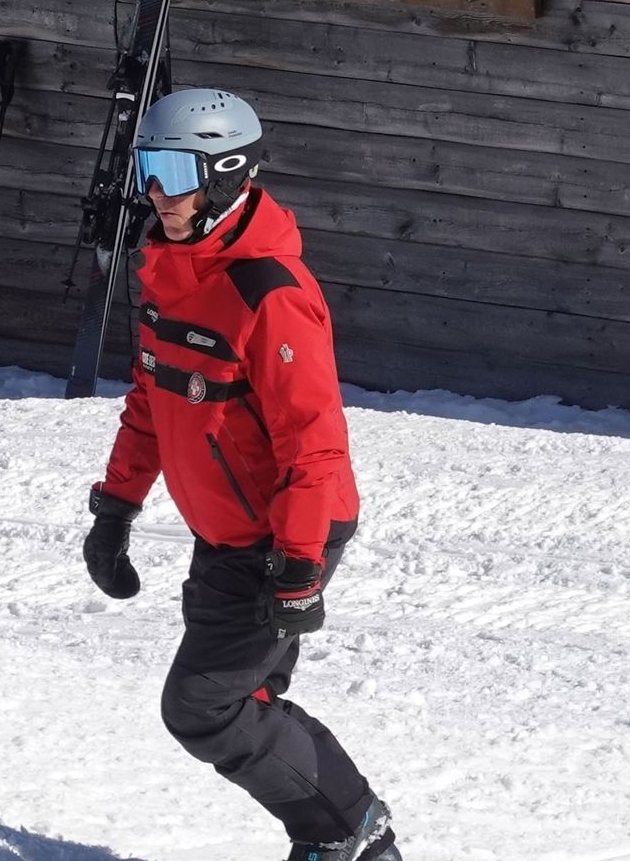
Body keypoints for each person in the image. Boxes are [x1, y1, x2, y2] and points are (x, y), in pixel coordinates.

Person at [82, 89, 400, 861]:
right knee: (241, 696)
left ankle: (349, 831)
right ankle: (334, 829)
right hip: (228, 530)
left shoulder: (272, 293)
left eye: (173, 171)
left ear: (226, 174)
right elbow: (152, 394)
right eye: (146, 168)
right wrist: (116, 508)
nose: (156, 192)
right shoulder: (171, 262)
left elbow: (314, 442)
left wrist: (297, 569)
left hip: (284, 530)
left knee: (206, 707)